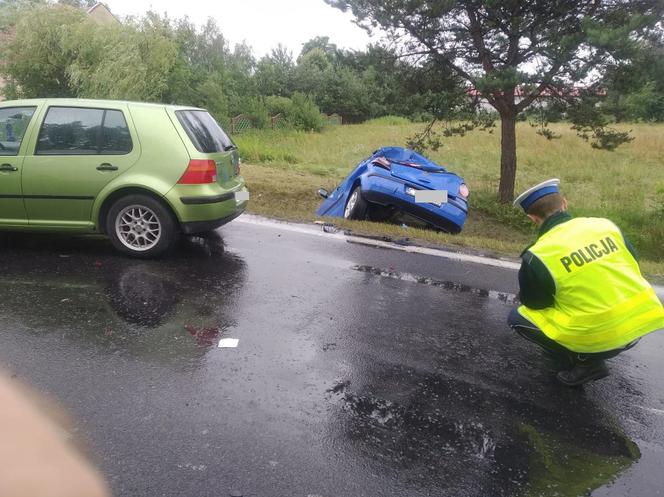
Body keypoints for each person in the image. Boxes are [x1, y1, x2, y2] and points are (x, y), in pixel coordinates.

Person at [508, 179, 664, 386]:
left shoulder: (538, 255)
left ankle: (584, 361)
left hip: (602, 340)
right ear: (565, 203)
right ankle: (588, 352)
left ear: (532, 218)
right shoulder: (606, 226)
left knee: (517, 316)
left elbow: (535, 303)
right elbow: (632, 262)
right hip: (641, 326)